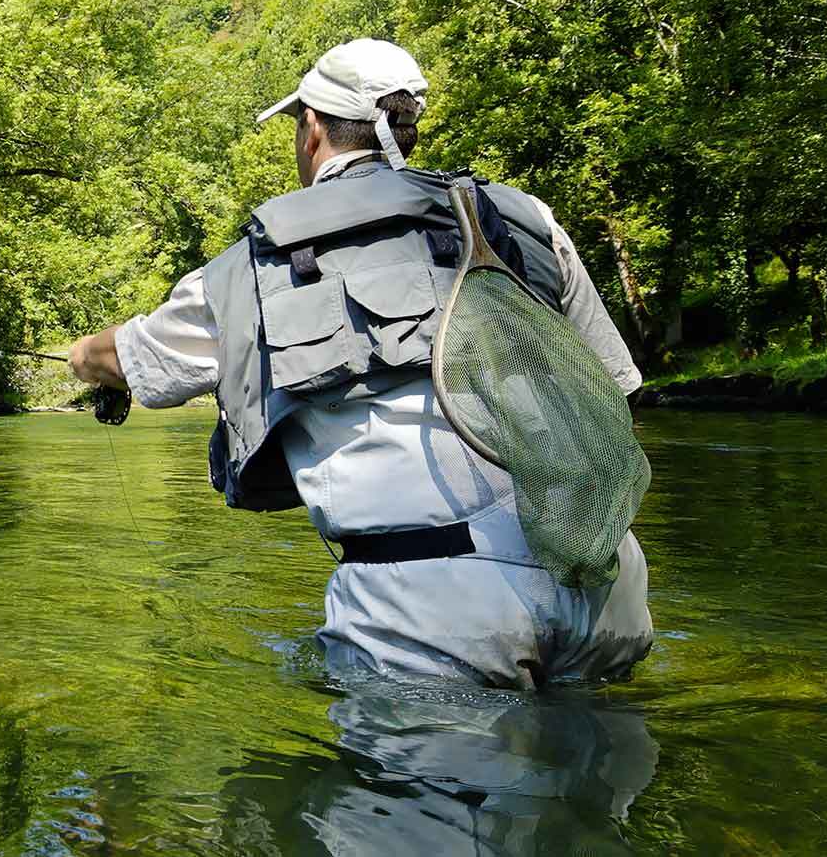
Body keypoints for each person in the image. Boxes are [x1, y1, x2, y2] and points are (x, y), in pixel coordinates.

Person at [67, 38, 653, 688]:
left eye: (298, 127)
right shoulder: (525, 220)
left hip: (435, 612)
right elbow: (615, 391)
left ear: (313, 128)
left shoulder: (261, 263)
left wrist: (82, 357)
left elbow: (135, 358)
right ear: (407, 127)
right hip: (604, 581)